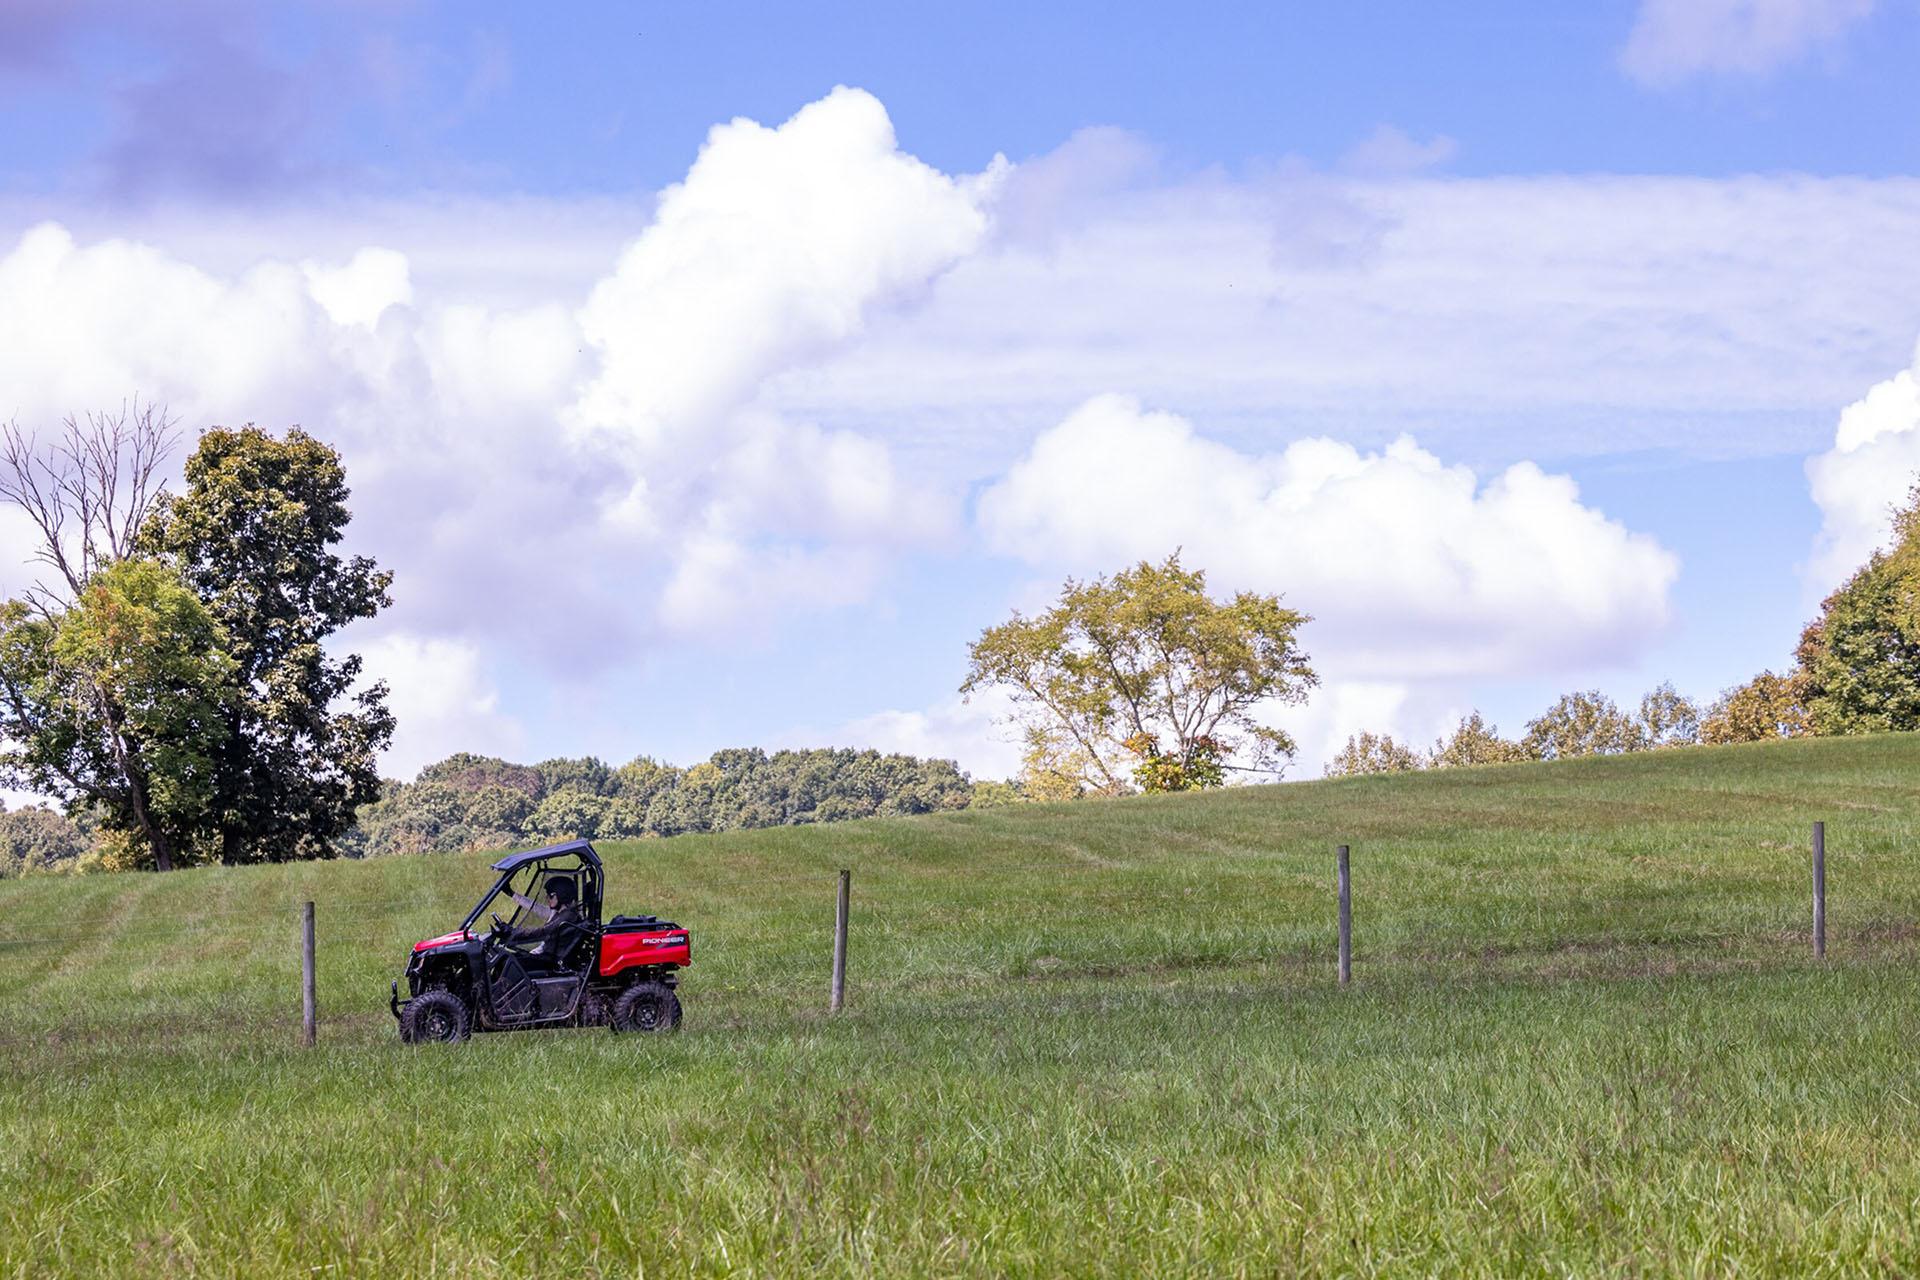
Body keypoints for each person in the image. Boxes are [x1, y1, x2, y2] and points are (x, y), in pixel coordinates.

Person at [502, 878, 583, 961]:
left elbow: (543, 932)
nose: (547, 898)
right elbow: (535, 907)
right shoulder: (560, 912)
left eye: (551, 896)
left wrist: (514, 933)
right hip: (544, 955)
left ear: (562, 895)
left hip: (549, 961)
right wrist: (512, 894)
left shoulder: (566, 917)